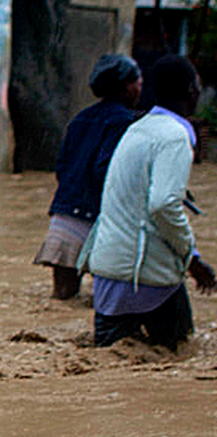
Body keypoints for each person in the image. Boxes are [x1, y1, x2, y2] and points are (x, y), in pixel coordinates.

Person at [78, 54, 216, 349]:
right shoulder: (174, 137)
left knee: (109, 359)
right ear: (192, 91)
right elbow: (164, 205)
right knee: (179, 354)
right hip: (148, 278)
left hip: (109, 272)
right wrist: (190, 256)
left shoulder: (137, 129)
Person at [33, 54, 143, 299]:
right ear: (126, 86)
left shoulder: (79, 119)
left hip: (64, 217)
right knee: (105, 299)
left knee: (62, 297)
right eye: (138, 82)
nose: (140, 88)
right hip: (100, 219)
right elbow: (108, 172)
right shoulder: (125, 123)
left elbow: (61, 168)